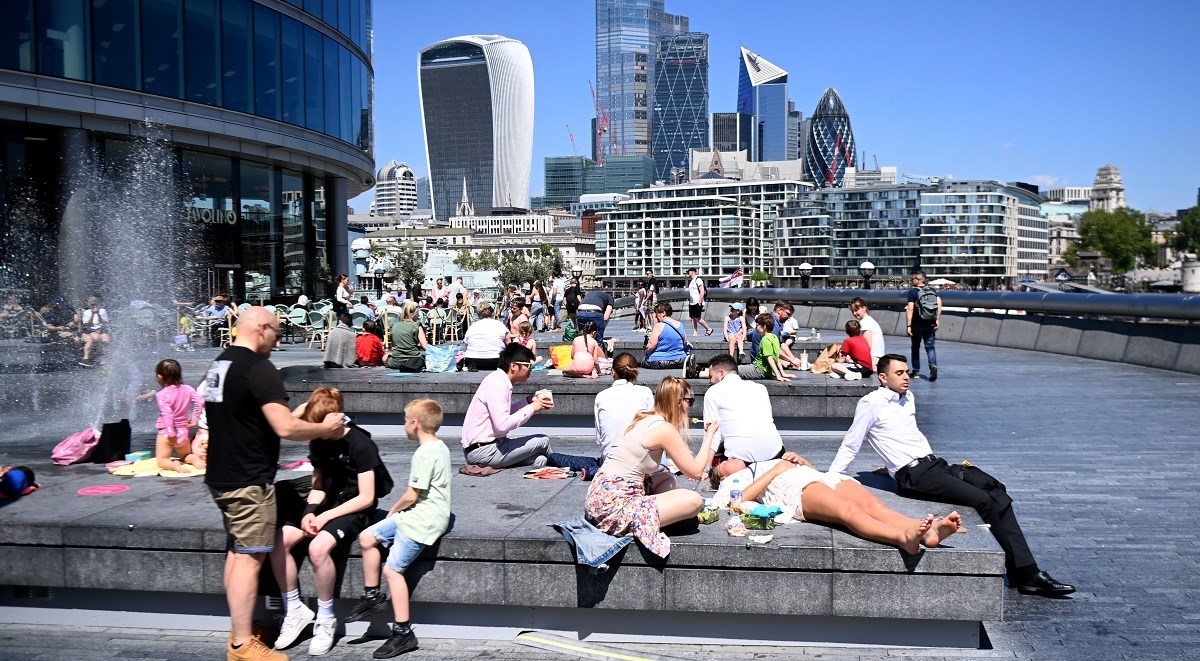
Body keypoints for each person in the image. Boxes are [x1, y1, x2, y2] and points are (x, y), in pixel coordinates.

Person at [828, 354, 1075, 598]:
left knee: (995, 489)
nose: (906, 378)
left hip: (935, 464)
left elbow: (903, 435)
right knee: (982, 500)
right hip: (915, 474)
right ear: (883, 377)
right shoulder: (871, 404)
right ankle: (1026, 574)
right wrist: (832, 478)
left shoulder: (908, 398)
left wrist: (887, 465)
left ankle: (1025, 570)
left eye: (906, 372)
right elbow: (852, 443)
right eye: (899, 373)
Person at [202, 307, 346, 661]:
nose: (277, 341)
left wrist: (295, 412)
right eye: (278, 334)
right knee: (250, 559)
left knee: (238, 554)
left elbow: (246, 417)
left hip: (223, 475)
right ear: (262, 328)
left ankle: (243, 629)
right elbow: (284, 428)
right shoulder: (259, 368)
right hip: (250, 480)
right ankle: (241, 645)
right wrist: (324, 429)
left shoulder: (220, 364)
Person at [269, 388, 392, 656]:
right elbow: (318, 486)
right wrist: (309, 512)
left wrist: (325, 516)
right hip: (326, 505)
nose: (316, 433)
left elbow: (367, 497)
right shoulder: (319, 440)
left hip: (353, 508)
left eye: (321, 427)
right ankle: (294, 609)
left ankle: (325, 618)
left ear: (337, 419)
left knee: (317, 548)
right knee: (279, 542)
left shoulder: (360, 443)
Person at [345, 399, 451, 658]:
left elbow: (412, 494)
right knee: (367, 537)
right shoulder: (440, 446)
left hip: (422, 519)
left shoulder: (425, 453)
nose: (404, 425)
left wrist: (393, 510)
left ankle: (403, 633)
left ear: (415, 424)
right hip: (419, 514)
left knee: (393, 570)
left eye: (405, 420)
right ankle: (372, 596)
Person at [727, 452, 960, 556]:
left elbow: (812, 471)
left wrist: (802, 462)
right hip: (789, 488)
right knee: (849, 511)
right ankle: (902, 537)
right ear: (720, 476)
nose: (729, 460)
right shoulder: (735, 480)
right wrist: (775, 470)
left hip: (817, 477)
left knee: (875, 506)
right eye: (722, 465)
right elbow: (736, 502)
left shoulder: (761, 461)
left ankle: (928, 533)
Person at [583, 377, 716, 557]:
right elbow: (696, 471)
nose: (690, 407)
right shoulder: (664, 429)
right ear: (678, 402)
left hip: (600, 498)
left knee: (669, 480)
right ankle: (646, 522)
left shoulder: (641, 417)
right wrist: (709, 435)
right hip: (613, 508)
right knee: (694, 501)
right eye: (689, 401)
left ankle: (650, 516)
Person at [461, 343, 554, 469]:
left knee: (539, 460)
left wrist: (528, 401)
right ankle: (562, 467)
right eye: (528, 366)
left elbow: (505, 413)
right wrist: (533, 407)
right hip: (484, 451)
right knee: (543, 441)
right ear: (514, 366)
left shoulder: (498, 379)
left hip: (487, 448)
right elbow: (502, 425)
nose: (531, 371)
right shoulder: (498, 384)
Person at [703, 353, 786, 480]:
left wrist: (706, 469)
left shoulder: (713, 392)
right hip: (775, 453)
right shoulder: (760, 388)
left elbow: (713, 434)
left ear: (721, 374)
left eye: (711, 376)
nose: (710, 381)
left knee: (719, 454)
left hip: (741, 462)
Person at [593, 353, 654, 459]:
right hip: (640, 459)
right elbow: (652, 429)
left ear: (613, 372)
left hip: (610, 460)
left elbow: (600, 439)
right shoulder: (645, 392)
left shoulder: (601, 396)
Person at [153, 358, 205, 474]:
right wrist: (194, 419)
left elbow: (167, 415)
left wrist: (171, 433)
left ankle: (174, 466)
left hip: (166, 432)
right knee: (186, 455)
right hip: (183, 430)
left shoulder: (162, 394)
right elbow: (200, 401)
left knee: (162, 460)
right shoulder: (188, 389)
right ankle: (195, 460)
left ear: (160, 377)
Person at [905, 271, 942, 381]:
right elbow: (939, 303)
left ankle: (916, 371)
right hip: (930, 323)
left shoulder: (912, 292)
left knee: (915, 347)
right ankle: (933, 366)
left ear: (918, 279)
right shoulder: (932, 291)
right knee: (930, 347)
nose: (912, 281)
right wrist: (937, 319)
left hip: (917, 324)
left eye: (912, 279)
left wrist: (908, 325)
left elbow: (910, 309)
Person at [459, 301, 507, 372]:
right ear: (492, 313)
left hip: (473, 360)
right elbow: (508, 343)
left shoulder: (473, 326)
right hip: (495, 359)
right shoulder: (499, 325)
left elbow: (466, 346)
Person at [641, 302, 689, 371]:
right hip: (680, 360)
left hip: (660, 361)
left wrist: (646, 349)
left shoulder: (658, 326)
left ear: (663, 313)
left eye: (657, 314)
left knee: (644, 361)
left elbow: (651, 346)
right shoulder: (680, 324)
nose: (656, 317)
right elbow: (684, 343)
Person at [745, 313, 791, 381]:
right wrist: (782, 373)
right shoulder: (774, 337)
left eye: (757, 325)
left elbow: (770, 358)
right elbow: (776, 357)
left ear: (764, 327)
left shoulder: (765, 339)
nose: (756, 328)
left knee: (735, 370)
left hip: (759, 369)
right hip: (767, 371)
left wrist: (778, 376)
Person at [384, 301, 427, 372]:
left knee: (385, 357)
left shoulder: (394, 326)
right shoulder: (416, 326)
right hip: (413, 361)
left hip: (396, 362)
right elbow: (425, 346)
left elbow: (393, 346)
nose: (418, 315)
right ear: (414, 313)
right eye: (418, 313)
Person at [575, 285, 614, 356]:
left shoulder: (590, 294)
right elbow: (606, 317)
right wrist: (601, 328)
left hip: (580, 312)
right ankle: (599, 360)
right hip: (595, 311)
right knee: (598, 341)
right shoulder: (610, 298)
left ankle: (581, 358)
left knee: (582, 337)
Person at [850, 297, 886, 368]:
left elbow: (867, 345)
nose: (854, 313)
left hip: (872, 359)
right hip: (877, 358)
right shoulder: (869, 320)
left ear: (864, 308)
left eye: (856, 310)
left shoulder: (866, 322)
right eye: (852, 311)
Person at [77, 296, 110, 366]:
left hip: (102, 329)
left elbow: (105, 321)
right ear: (89, 304)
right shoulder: (86, 312)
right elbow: (87, 324)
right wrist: (92, 314)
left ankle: (105, 357)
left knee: (105, 340)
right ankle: (97, 356)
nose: (94, 305)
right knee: (97, 338)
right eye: (92, 304)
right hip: (92, 329)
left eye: (95, 303)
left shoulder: (103, 310)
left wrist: (98, 314)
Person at [686, 268, 713, 337]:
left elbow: (702, 291)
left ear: (692, 272)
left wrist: (700, 301)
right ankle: (695, 332)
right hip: (691, 302)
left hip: (697, 302)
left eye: (688, 272)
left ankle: (708, 329)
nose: (688, 273)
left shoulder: (698, 280)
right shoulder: (692, 281)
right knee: (692, 318)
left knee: (697, 317)